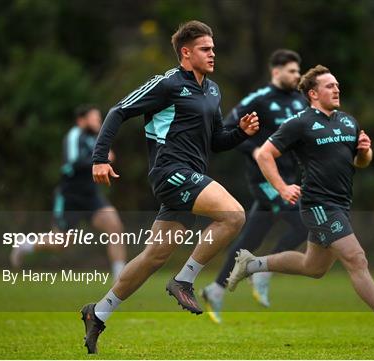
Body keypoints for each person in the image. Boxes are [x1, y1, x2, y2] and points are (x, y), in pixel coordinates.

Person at [80, 20, 259, 354]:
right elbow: (118, 111)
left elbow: (216, 141)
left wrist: (241, 133)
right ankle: (185, 279)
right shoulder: (167, 84)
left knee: (154, 256)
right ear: (185, 53)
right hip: (170, 173)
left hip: (189, 177)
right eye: (205, 49)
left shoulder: (213, 90)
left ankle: (98, 312)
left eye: (213, 49)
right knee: (234, 215)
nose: (212, 54)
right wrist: (99, 158)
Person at [227, 65, 374, 342]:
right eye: (330, 85)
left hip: (341, 204)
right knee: (356, 258)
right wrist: (282, 187)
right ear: (313, 93)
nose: (336, 89)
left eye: (337, 85)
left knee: (314, 267)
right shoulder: (299, 123)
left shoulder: (348, 121)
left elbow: (361, 162)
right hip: (317, 204)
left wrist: (365, 151)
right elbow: (264, 155)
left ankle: (252, 264)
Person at [201, 49, 308, 323]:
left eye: (299, 71)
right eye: (292, 71)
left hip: (289, 178)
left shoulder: (300, 101)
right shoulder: (259, 99)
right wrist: (258, 149)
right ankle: (262, 269)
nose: (297, 76)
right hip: (264, 179)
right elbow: (227, 127)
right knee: (302, 224)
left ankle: (215, 289)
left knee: (251, 238)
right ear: (276, 72)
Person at [10, 105, 126, 281]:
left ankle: (120, 279)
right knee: (61, 243)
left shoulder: (95, 138)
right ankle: (25, 245)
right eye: (94, 118)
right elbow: (75, 161)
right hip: (70, 197)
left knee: (115, 226)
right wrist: (102, 159)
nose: (99, 122)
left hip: (91, 196)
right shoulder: (74, 135)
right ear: (81, 120)